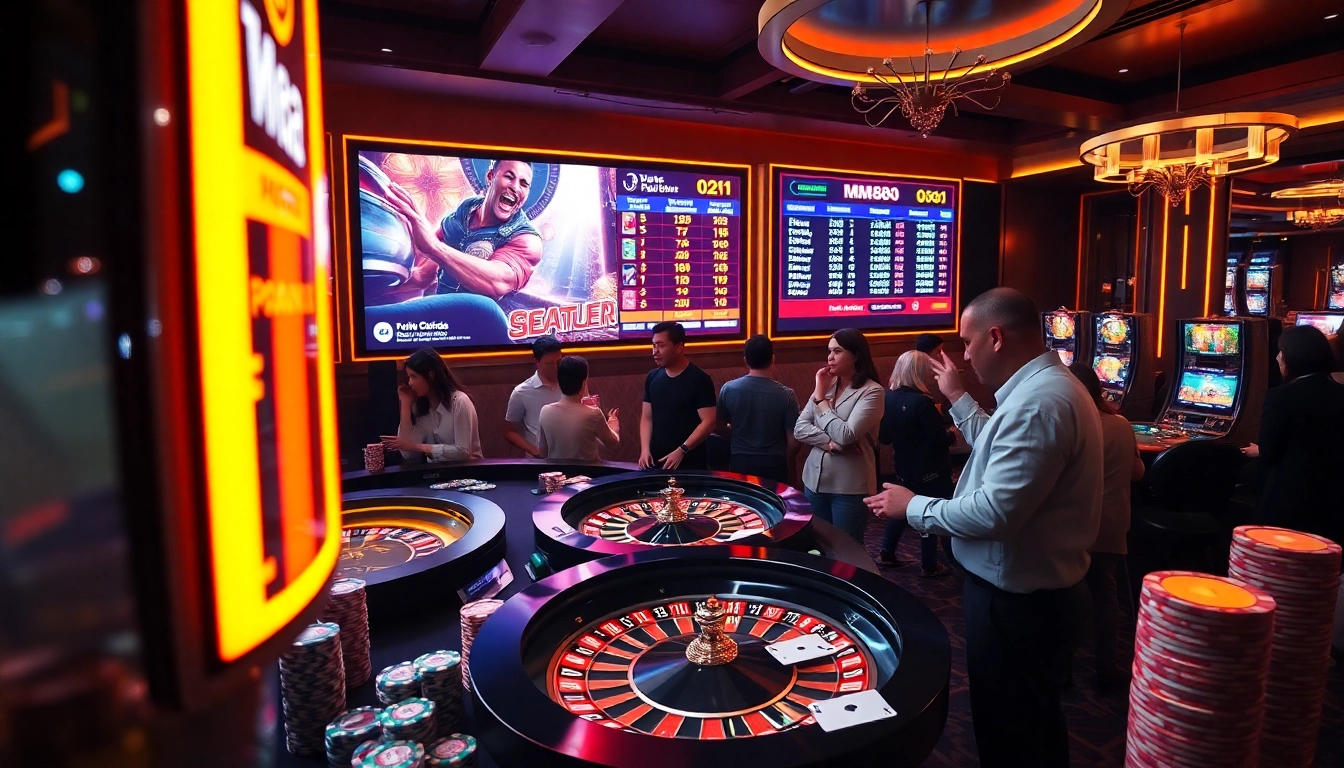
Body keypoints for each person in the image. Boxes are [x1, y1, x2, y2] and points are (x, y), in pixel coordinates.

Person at [864, 287, 1102, 768]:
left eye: (968, 343)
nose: (966, 356)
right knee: (1026, 723)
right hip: (1030, 595)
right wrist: (955, 396)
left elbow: (995, 513)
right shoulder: (1041, 391)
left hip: (1020, 603)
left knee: (1014, 733)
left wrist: (914, 507)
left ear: (996, 337)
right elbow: (996, 449)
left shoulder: (1038, 404)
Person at [367, 159, 544, 344]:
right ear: (491, 176)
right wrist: (369, 289)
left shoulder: (527, 240)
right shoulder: (463, 213)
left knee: (482, 305)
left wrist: (434, 247)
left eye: (524, 184)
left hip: (486, 330)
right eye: (509, 177)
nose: (516, 187)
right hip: (441, 329)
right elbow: (423, 277)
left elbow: (497, 283)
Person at [1069, 360, 1145, 694]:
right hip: (1113, 525)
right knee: (1105, 594)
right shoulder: (1120, 424)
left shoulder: (1069, 425)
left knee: (1069, 600)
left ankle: (1063, 672)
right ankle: (1107, 667)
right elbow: (1137, 472)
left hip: (1074, 527)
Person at [1241, 324, 1344, 547]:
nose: (1278, 358)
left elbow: (1270, 454)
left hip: (1288, 503)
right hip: (1333, 502)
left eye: (1281, 352)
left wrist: (1260, 449)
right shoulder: (1340, 393)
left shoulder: (1281, 396)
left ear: (1292, 358)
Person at [794, 328, 884, 544]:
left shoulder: (872, 392)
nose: (830, 357)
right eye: (829, 351)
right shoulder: (826, 386)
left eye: (837, 351)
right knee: (817, 546)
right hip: (814, 482)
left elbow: (845, 435)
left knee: (847, 549)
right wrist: (828, 443)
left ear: (856, 355)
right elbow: (800, 428)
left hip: (849, 487)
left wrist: (820, 401)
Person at [877, 351, 953, 577]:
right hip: (930, 470)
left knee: (903, 508)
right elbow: (939, 441)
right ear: (919, 372)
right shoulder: (923, 403)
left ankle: (886, 551)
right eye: (929, 369)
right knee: (927, 511)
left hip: (903, 467)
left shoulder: (887, 398)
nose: (932, 373)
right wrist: (953, 435)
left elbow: (884, 438)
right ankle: (930, 563)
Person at [716, 335, 801, 484]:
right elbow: (794, 442)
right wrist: (787, 460)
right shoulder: (786, 395)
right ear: (772, 360)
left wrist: (736, 436)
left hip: (740, 461)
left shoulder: (728, 389)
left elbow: (717, 426)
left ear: (745, 360)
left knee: (744, 505)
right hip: (774, 463)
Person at [382, 348, 483, 462]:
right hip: (437, 474)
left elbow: (462, 452)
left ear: (430, 375)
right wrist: (405, 403)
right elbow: (407, 452)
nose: (410, 383)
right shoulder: (423, 407)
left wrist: (419, 447)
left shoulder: (459, 401)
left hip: (466, 473)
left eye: (413, 376)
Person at [640, 321, 716, 470]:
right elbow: (647, 418)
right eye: (654, 345)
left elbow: (709, 421)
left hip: (690, 464)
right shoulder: (653, 377)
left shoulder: (699, 379)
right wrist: (644, 450)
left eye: (661, 345)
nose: (655, 351)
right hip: (657, 463)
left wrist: (682, 449)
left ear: (679, 347)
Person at [537, 356, 620, 461]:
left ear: (559, 381)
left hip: (558, 475)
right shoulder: (593, 414)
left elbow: (542, 450)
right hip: (588, 476)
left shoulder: (545, 411)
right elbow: (612, 443)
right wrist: (614, 426)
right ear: (584, 382)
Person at [504, 335, 563, 458]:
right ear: (537, 362)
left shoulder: (573, 383)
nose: (555, 368)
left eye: (558, 362)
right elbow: (509, 431)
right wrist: (532, 449)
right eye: (548, 364)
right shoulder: (521, 392)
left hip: (570, 456)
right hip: (539, 460)